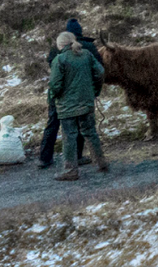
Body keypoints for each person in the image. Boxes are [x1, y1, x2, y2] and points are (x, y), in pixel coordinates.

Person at [36, 18, 101, 169]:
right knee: (82, 127)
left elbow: (54, 76)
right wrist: (95, 91)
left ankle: (45, 158)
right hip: (83, 95)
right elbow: (100, 70)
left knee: (53, 124)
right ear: (80, 32)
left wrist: (55, 93)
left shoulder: (56, 49)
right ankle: (79, 157)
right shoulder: (89, 48)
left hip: (59, 97)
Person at [46, 30, 109, 181]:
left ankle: (70, 170)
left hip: (67, 107)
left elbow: (54, 85)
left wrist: (52, 98)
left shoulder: (59, 60)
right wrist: (95, 90)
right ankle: (101, 163)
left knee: (69, 137)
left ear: (61, 45)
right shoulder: (86, 55)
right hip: (86, 103)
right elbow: (100, 72)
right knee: (90, 132)